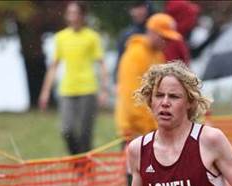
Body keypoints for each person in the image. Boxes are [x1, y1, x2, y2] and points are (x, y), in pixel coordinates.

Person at [38, 1, 108, 155]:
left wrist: (104, 90)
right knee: (66, 129)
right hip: (67, 90)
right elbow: (53, 66)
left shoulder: (92, 37)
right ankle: (78, 162)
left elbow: (102, 64)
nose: (72, 16)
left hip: (88, 89)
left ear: (83, 15)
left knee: (85, 134)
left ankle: (85, 170)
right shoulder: (61, 38)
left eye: (75, 13)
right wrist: (45, 91)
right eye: (70, 13)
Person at [115, 13, 182, 141]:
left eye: (168, 39)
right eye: (164, 37)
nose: (167, 42)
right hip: (135, 131)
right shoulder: (135, 55)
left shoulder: (158, 56)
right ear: (152, 32)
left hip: (153, 128)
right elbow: (132, 95)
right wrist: (145, 130)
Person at [113, 0, 154, 79]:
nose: (137, 12)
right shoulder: (126, 35)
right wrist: (116, 78)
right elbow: (120, 60)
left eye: (141, 7)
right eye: (135, 8)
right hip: (132, 81)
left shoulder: (156, 32)